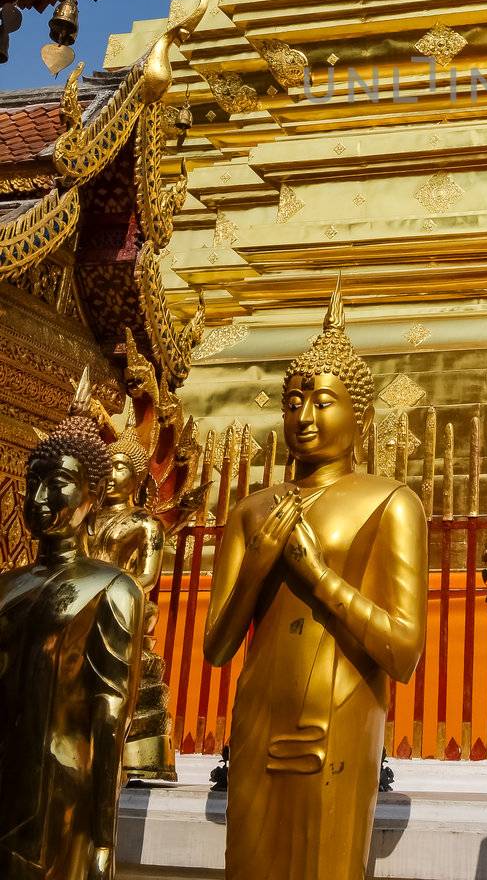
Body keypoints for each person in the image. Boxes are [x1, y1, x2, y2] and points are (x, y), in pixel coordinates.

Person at [204, 281, 427, 880]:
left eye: (322, 401)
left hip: (338, 719)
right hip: (256, 719)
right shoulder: (253, 512)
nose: (303, 416)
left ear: (361, 414)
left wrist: (317, 574)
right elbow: (218, 647)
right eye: (293, 401)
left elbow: (403, 651)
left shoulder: (391, 503)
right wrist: (259, 564)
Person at [0, 375, 143, 880]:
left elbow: (110, 715)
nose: (39, 496)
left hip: (59, 790)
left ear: (93, 494)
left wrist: (104, 836)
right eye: (33, 481)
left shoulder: (113, 588)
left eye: (56, 482)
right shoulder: (6, 585)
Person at [90, 429, 175, 779]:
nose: (112, 475)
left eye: (121, 467)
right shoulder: (86, 519)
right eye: (107, 466)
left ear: (137, 477)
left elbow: (147, 577)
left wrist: (109, 593)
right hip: (84, 607)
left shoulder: (145, 525)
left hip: (122, 605)